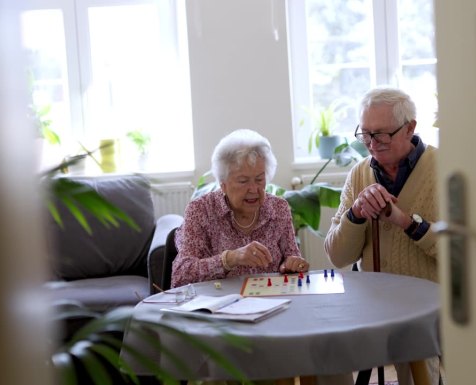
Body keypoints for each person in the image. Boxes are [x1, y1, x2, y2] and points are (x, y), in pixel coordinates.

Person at [324, 87, 442, 385]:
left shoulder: (443, 169)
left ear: (410, 128)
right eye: (365, 135)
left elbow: (458, 252)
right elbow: (337, 256)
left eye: (382, 135)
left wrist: (406, 222)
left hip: (429, 304)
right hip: (372, 305)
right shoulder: (359, 173)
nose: (372, 145)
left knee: (418, 367)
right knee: (324, 347)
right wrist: (356, 214)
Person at [171, 128, 308, 289]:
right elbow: (180, 276)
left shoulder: (278, 208)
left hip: (271, 303)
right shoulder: (201, 210)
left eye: (259, 179)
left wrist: (293, 264)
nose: (253, 189)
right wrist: (230, 259)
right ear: (223, 184)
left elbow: (292, 258)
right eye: (243, 181)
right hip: (218, 307)